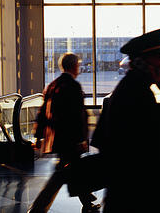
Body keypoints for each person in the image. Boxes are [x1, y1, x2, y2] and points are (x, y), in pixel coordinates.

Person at [91, 29, 160, 212]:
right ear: (145, 62)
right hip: (141, 198)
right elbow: (159, 139)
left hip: (129, 195)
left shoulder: (129, 88)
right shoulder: (136, 93)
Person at [33, 53, 100, 213]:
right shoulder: (73, 86)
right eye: (78, 65)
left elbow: (42, 113)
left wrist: (38, 136)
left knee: (73, 170)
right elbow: (77, 116)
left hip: (57, 139)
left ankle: (87, 201)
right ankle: (38, 208)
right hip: (69, 140)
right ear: (73, 66)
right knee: (62, 174)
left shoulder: (52, 85)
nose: (79, 68)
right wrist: (81, 139)